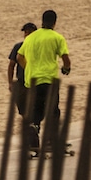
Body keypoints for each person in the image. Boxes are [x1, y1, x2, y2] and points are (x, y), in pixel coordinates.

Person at [16, 10, 71, 152]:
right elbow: (65, 58)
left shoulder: (30, 38)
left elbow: (19, 57)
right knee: (53, 111)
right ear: (54, 22)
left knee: (36, 111)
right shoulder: (57, 37)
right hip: (49, 80)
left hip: (32, 81)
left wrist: (29, 68)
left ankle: (34, 137)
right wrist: (66, 68)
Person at [8, 23, 38, 120]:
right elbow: (11, 65)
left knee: (34, 108)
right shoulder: (18, 46)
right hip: (21, 82)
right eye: (25, 32)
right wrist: (10, 82)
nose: (27, 35)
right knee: (22, 109)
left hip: (35, 81)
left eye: (29, 32)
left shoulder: (38, 47)